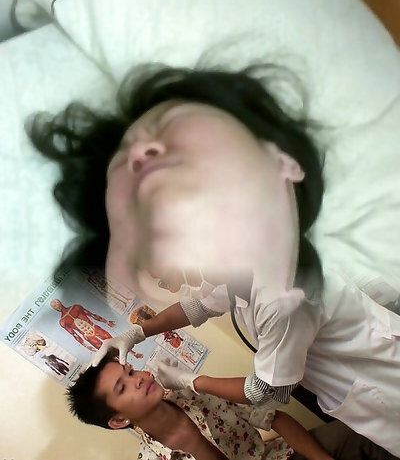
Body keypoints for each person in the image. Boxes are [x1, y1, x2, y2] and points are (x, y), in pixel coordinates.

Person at [30, 65, 400, 455]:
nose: (158, 279)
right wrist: (137, 332)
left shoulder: (280, 287)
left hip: (382, 387)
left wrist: (192, 382)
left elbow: (266, 392)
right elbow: (200, 305)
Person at [65, 357, 397, 460]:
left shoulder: (191, 395)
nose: (138, 379)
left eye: (130, 372)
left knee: (361, 431)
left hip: (280, 457)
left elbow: (274, 417)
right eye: (123, 387)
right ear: (119, 420)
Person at [49, 299, 143, 358]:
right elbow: (74, 334)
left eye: (56, 304)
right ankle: (127, 364)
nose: (56, 307)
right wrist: (86, 346)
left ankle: (134, 354)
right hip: (88, 336)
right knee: (107, 351)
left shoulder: (75, 308)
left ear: (60, 302)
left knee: (114, 342)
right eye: (54, 307)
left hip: (94, 329)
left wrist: (106, 322)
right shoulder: (63, 321)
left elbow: (92, 315)